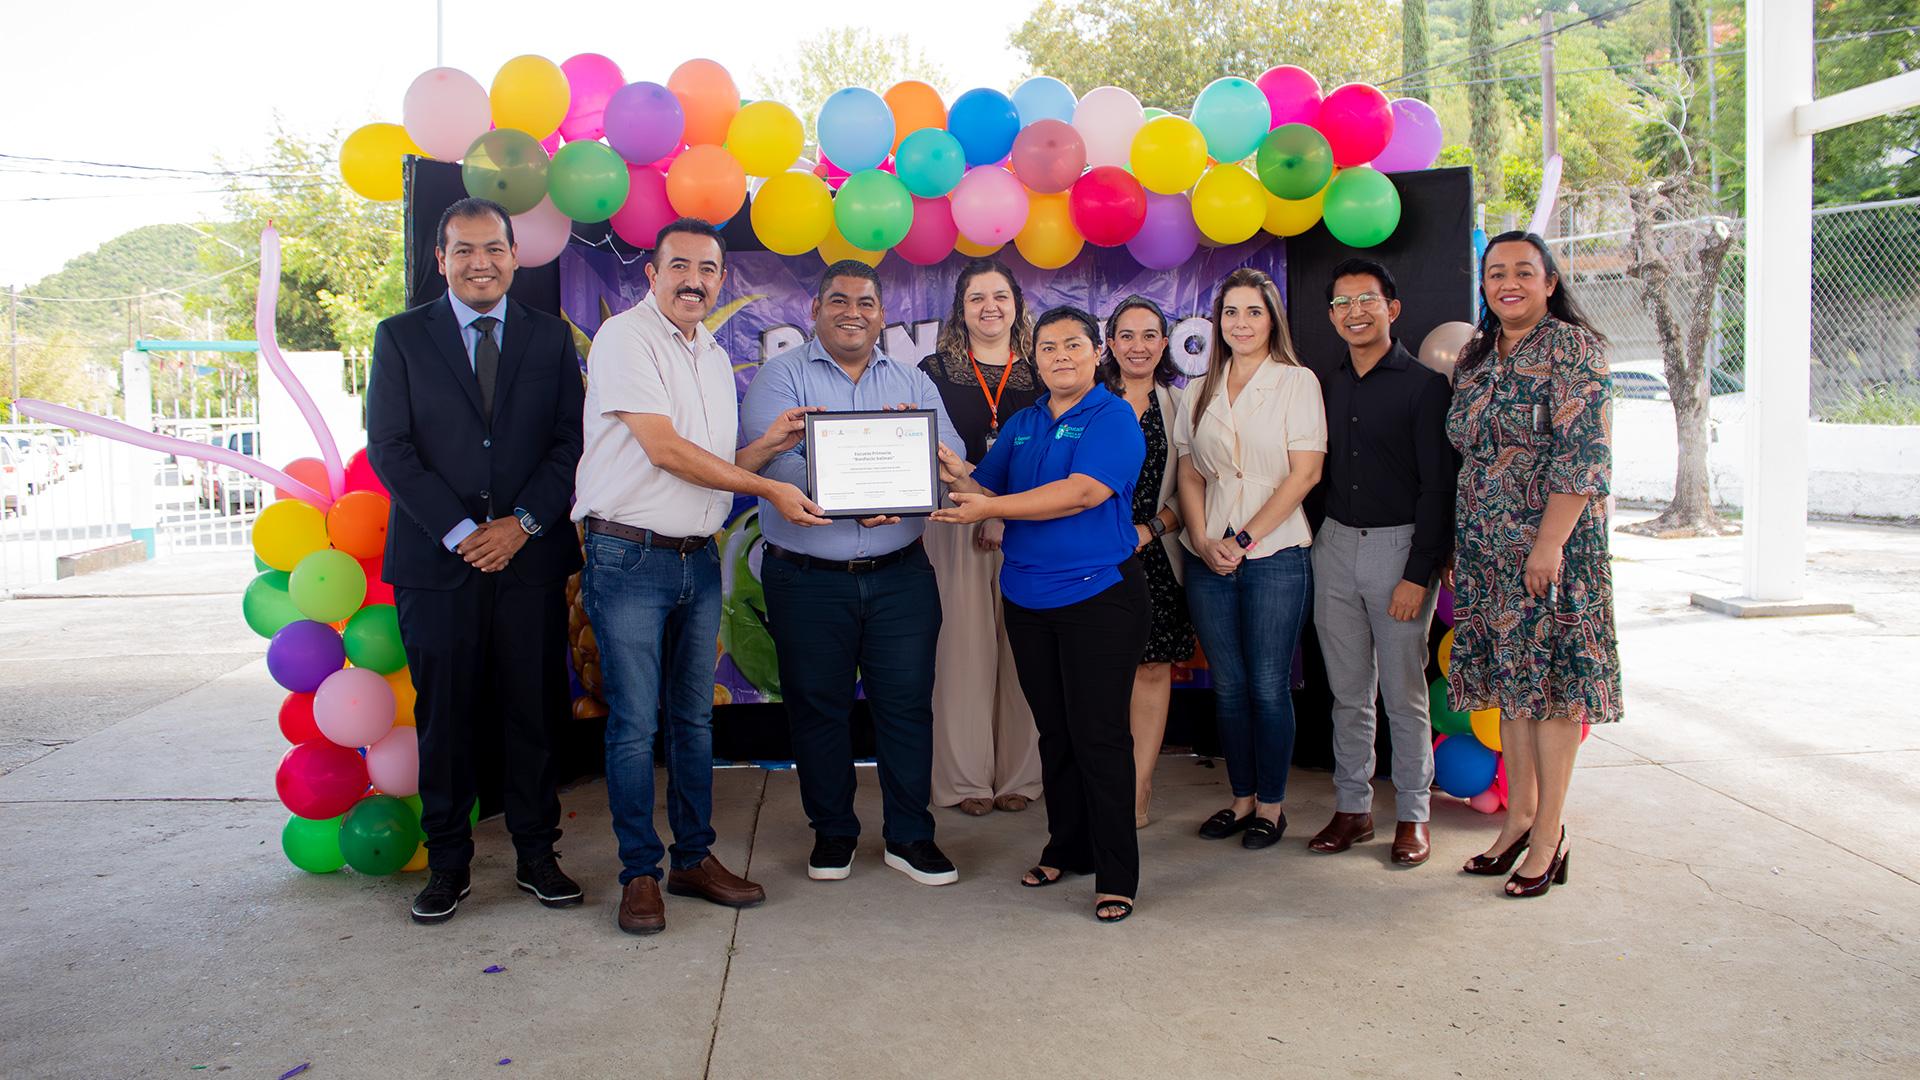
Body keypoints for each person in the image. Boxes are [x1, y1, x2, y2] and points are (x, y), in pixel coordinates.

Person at [574, 218, 833, 935]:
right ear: (650, 274)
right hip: (629, 557)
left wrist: (766, 451)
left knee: (693, 720)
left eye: (709, 269)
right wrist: (774, 490)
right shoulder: (628, 338)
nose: (695, 279)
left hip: (695, 558)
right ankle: (638, 875)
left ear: (722, 279)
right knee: (634, 726)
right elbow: (664, 451)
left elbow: (713, 466)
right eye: (679, 265)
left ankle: (692, 858)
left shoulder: (713, 356)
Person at [366, 197, 585, 925]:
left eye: (493, 248)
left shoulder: (550, 340)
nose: (480, 262)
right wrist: (463, 530)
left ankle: (535, 854)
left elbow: (568, 443)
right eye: (463, 250)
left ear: (515, 256)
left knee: (531, 711)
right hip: (438, 564)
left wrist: (521, 524)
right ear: (441, 260)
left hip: (527, 558)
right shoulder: (399, 338)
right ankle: (449, 863)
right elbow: (389, 448)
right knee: (445, 718)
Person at [739, 260, 967, 887]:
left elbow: (954, 455)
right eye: (838, 301)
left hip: (900, 575)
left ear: (882, 314)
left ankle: (910, 836)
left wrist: (917, 473)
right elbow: (771, 463)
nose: (852, 313)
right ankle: (833, 833)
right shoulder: (781, 375)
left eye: (865, 303)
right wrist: (854, 495)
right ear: (815, 310)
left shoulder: (913, 382)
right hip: (808, 579)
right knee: (818, 709)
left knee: (906, 707)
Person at [933, 306, 1149, 924]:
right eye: (1048, 347)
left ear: (1095, 352)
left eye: (1073, 345)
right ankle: (1068, 847)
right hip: (1027, 599)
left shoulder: (1113, 416)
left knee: (1099, 738)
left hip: (1098, 598)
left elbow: (1083, 492)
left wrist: (991, 508)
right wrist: (942, 465)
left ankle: (1116, 874)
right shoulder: (1024, 424)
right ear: (1035, 358)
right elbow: (981, 485)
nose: (1060, 356)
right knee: (1053, 734)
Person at [1447, 231, 1622, 897]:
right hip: (1487, 550)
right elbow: (1469, 454)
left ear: (1549, 281)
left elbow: (1585, 456)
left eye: (1524, 270)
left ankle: (1551, 834)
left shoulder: (1572, 348)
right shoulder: (1477, 354)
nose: (1508, 282)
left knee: (1550, 694)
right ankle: (1517, 818)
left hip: (1551, 551)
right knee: (1511, 689)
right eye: (1496, 272)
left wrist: (1548, 544)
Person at [1304, 258, 1456, 867]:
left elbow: (1437, 488)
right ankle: (1353, 808)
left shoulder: (1424, 386)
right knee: (1347, 694)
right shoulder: (1328, 384)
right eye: (1342, 303)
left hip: (1399, 550)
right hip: (1335, 547)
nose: (1355, 312)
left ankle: (1414, 815)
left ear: (1392, 309)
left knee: (1403, 694)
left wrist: (1418, 572)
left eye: (1367, 300)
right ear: (1332, 316)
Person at [1173, 267, 1326, 851]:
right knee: (1229, 686)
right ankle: (1239, 800)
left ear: (1272, 320)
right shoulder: (1198, 390)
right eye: (1231, 312)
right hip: (1208, 554)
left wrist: (1243, 541)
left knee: (1267, 685)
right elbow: (1189, 473)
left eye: (1253, 312)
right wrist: (1203, 536)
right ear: (1218, 322)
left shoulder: (1296, 381)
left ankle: (1271, 805)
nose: (1241, 323)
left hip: (1276, 552)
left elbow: (1305, 472)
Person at [917, 259, 1044, 817]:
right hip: (957, 514)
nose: (989, 307)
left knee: (1026, 649)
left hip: (1034, 519)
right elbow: (929, 449)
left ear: (1017, 303)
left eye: (1000, 296)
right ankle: (966, 781)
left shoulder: (1045, 367)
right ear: (960, 309)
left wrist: (1004, 510)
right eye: (976, 298)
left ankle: (1022, 775)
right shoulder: (933, 369)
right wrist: (981, 503)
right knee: (963, 649)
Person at [1096, 296, 1195, 829]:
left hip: (1154, 555)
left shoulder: (1181, 406)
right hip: (1092, 558)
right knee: (1099, 673)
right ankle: (1102, 783)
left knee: (1152, 668)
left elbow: (1194, 491)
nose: (1138, 346)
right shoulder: (1088, 401)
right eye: (1126, 335)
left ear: (1165, 343)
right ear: (1110, 344)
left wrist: (1151, 529)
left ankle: (1139, 784)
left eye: (1149, 335)